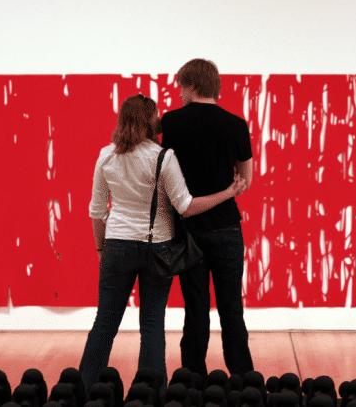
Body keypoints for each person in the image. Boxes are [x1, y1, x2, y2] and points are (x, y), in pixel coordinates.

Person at [79, 94, 246, 396]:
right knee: (152, 325)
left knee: (104, 322)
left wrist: (101, 248)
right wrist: (227, 192)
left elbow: (97, 210)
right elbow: (185, 206)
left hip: (117, 246)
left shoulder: (105, 156)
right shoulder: (162, 157)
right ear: (150, 120)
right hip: (158, 248)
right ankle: (150, 394)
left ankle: (82, 390)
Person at [161, 58, 255, 379]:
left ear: (190, 85)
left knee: (196, 308)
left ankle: (193, 379)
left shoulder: (171, 122)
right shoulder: (236, 124)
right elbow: (245, 180)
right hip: (227, 227)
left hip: (188, 231)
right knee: (231, 308)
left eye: (180, 88)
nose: (179, 94)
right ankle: (243, 379)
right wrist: (230, 187)